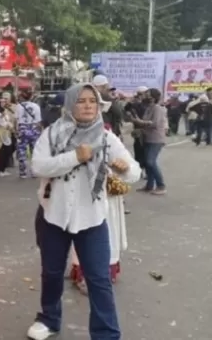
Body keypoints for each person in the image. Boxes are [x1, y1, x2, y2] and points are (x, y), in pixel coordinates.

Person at [28, 83, 140, 340]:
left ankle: (106, 333)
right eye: (81, 101)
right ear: (69, 105)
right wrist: (75, 157)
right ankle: (49, 320)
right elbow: (39, 166)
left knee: (99, 279)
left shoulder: (106, 137)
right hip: (53, 215)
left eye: (93, 101)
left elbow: (134, 172)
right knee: (52, 272)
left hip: (91, 218)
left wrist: (124, 169)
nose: (88, 105)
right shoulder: (52, 134)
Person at [130, 88, 167, 194]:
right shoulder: (149, 108)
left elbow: (154, 123)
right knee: (147, 163)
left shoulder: (157, 108)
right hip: (147, 138)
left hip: (156, 139)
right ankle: (149, 186)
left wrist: (140, 122)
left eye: (148, 95)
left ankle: (161, 186)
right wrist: (137, 121)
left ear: (153, 97)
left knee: (151, 162)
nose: (145, 97)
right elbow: (145, 121)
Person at [15, 90, 42, 178]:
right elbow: (38, 121)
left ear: (22, 97)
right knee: (34, 151)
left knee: (22, 150)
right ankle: (34, 171)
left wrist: (16, 130)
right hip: (34, 129)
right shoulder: (36, 106)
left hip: (23, 129)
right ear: (31, 97)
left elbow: (16, 119)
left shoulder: (18, 107)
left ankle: (23, 172)